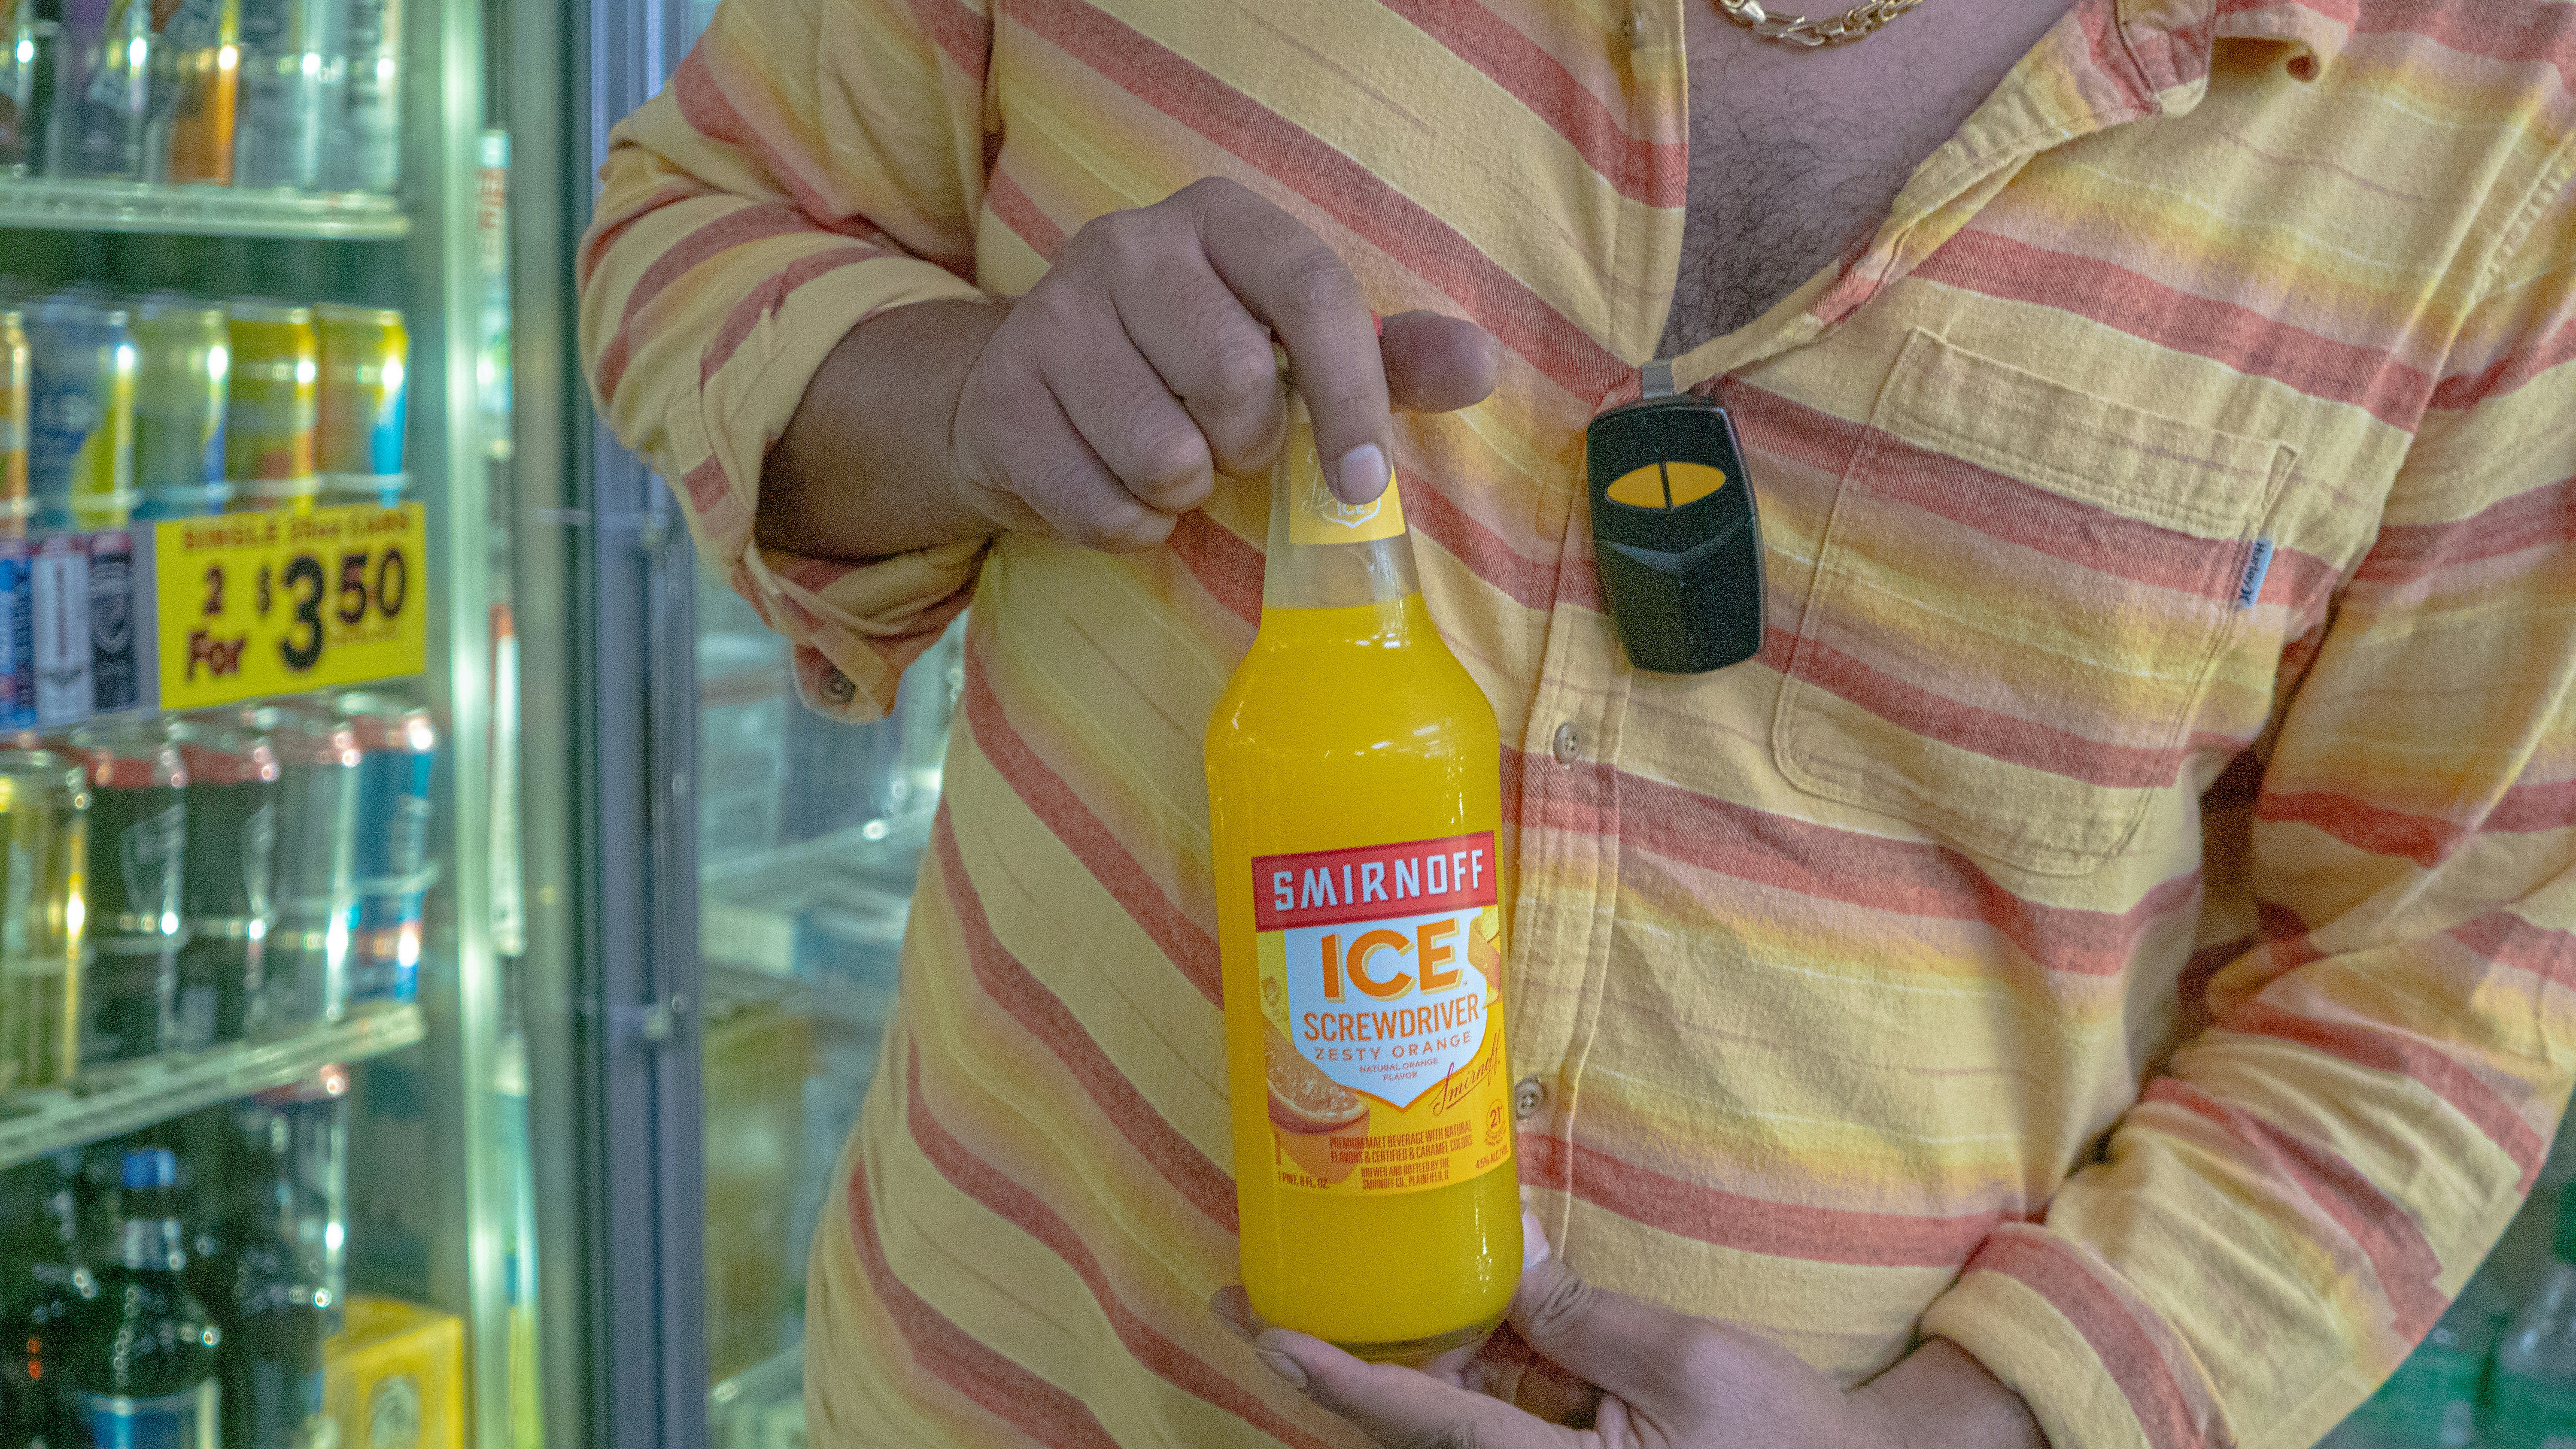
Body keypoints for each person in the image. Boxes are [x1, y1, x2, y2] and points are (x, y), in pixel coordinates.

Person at [578, 0, 2576, 1443]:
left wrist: (1967, 1433)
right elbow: (696, 225)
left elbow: (2446, 965)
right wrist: (966, 398)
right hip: (997, 1384)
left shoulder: (2496, 102)